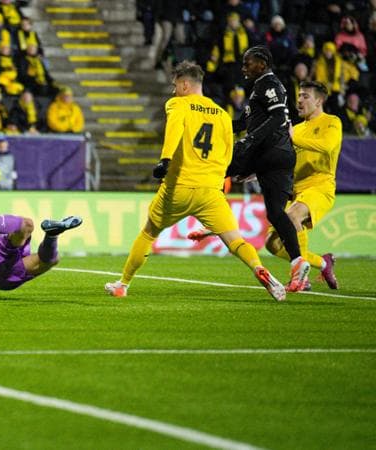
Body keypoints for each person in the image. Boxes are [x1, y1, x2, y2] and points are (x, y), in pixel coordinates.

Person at [105, 61, 286, 301]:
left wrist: (165, 160)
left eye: (175, 86)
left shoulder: (178, 104)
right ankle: (259, 269)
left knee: (149, 233)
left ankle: (123, 284)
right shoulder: (222, 115)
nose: (173, 91)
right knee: (235, 240)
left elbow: (174, 130)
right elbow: (228, 154)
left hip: (179, 188)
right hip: (211, 191)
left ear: (184, 85)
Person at [226, 45, 310, 292]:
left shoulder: (268, 83)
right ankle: (298, 261)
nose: (243, 67)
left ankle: (210, 216)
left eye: (248, 62)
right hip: (280, 156)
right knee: (275, 213)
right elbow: (242, 123)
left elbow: (277, 117)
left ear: (262, 64)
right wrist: (213, 122)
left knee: (218, 167)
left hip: (269, 152)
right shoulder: (260, 87)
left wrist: (251, 140)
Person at [267, 81, 341, 289]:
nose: (299, 100)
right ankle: (323, 263)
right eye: (299, 96)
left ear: (319, 101)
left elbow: (327, 146)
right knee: (272, 244)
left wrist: (294, 138)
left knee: (293, 217)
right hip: (295, 191)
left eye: (305, 96)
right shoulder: (297, 129)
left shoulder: (332, 122)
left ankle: (300, 277)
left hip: (320, 186)